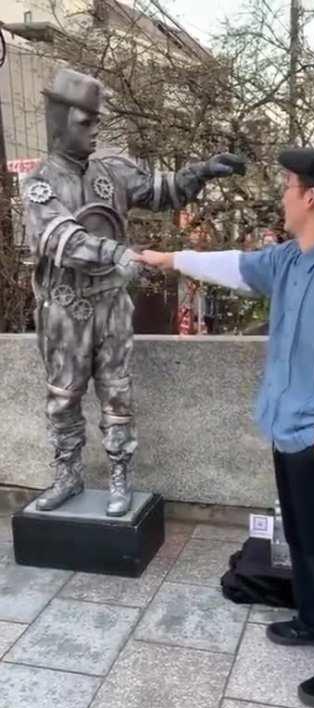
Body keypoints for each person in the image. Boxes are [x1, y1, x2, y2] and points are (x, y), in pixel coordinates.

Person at [135, 147, 314, 708]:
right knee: (303, 539)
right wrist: (167, 258)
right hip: (284, 428)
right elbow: (234, 265)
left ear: (312, 197)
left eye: (287, 186)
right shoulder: (291, 259)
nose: (282, 194)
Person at [23, 67, 245, 517]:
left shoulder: (113, 171)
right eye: (85, 122)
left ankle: (121, 475)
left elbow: (162, 192)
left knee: (117, 392)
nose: (94, 129)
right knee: (64, 396)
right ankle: (67, 475)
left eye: (96, 121)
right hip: (66, 308)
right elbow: (62, 239)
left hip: (111, 305)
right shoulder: (40, 183)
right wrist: (118, 252)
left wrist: (200, 173)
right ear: (59, 121)